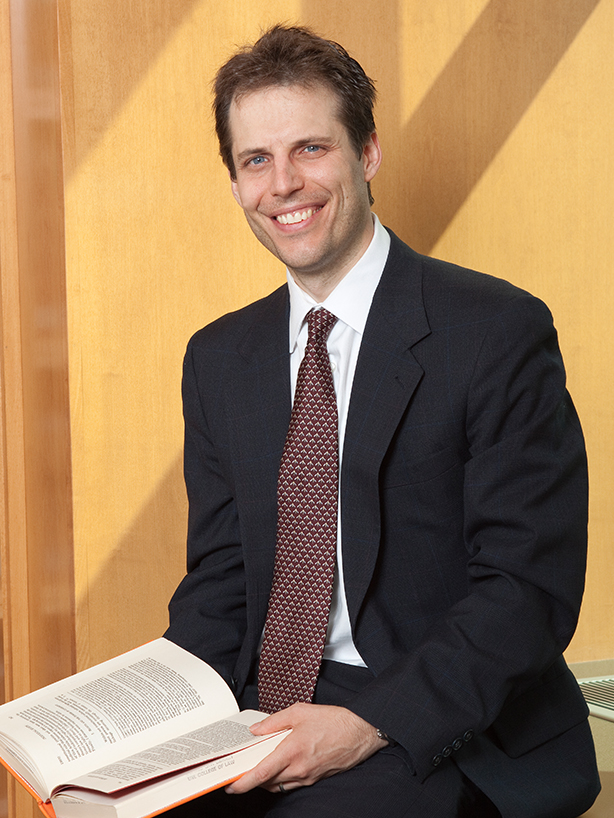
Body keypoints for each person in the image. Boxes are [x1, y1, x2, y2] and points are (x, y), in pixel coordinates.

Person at [164, 24, 600, 818]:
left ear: (366, 153)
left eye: (310, 149)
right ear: (234, 183)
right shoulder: (218, 359)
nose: (283, 184)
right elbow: (221, 585)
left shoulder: (495, 331)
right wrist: (151, 726)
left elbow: (526, 590)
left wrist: (368, 723)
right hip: (262, 706)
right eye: (256, 160)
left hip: (439, 714)